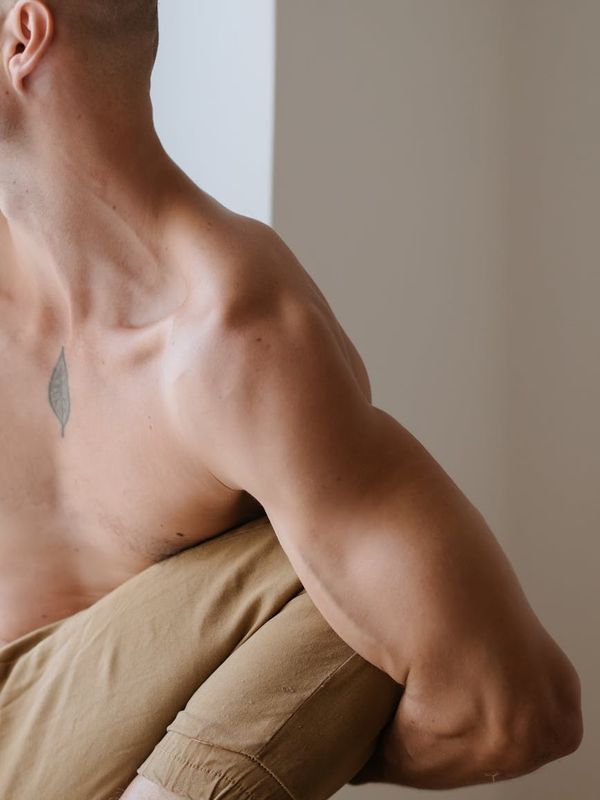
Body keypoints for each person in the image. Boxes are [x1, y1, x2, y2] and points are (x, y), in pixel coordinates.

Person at [0, 2, 583, 799]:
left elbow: (511, 707)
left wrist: (234, 747)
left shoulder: (233, 341)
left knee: (369, 605)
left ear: (22, 36)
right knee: (363, 591)